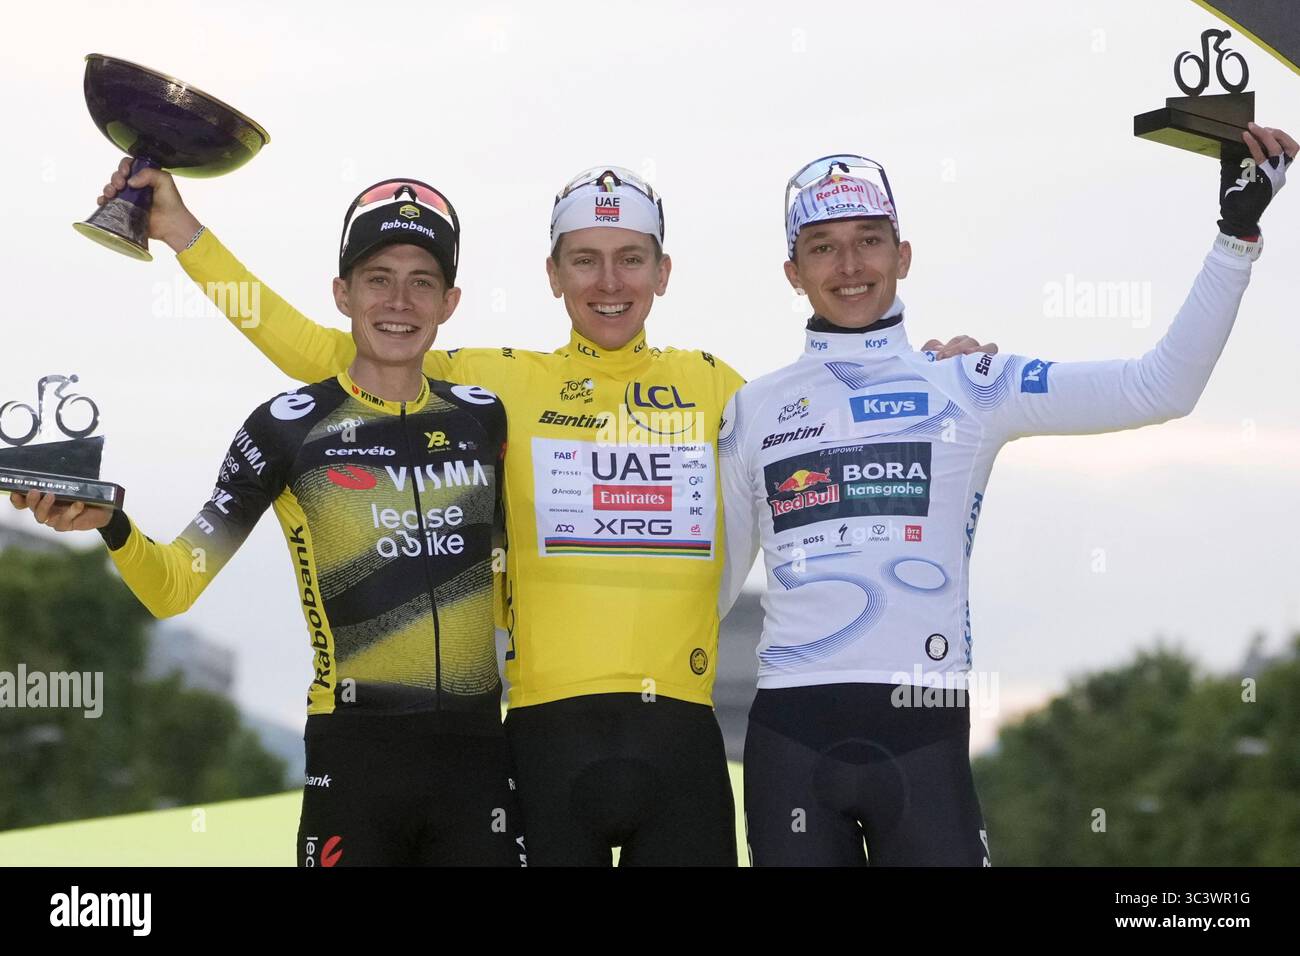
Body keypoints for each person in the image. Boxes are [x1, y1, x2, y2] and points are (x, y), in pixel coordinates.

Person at [93, 159, 990, 865]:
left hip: (682, 744)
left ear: (663, 272)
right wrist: (183, 234)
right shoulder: (498, 385)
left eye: (631, 259)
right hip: (539, 741)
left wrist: (933, 368)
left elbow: (826, 420)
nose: (610, 282)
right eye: (585, 260)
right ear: (554, 274)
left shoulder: (721, 389)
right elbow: (327, 350)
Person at [719, 124, 1296, 866]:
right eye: (823, 246)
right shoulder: (751, 410)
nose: (850, 264)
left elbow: (1161, 386)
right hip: (790, 737)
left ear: (904, 255)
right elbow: (710, 591)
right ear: (793, 271)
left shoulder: (970, 386)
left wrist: (1235, 235)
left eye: (869, 240)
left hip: (922, 729)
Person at [13, 179, 525, 867]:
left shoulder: (486, 416)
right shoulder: (288, 428)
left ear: (449, 303)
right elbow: (174, 586)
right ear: (342, 295)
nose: (399, 303)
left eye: (421, 282)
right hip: (353, 754)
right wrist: (115, 524)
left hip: (478, 757)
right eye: (377, 279)